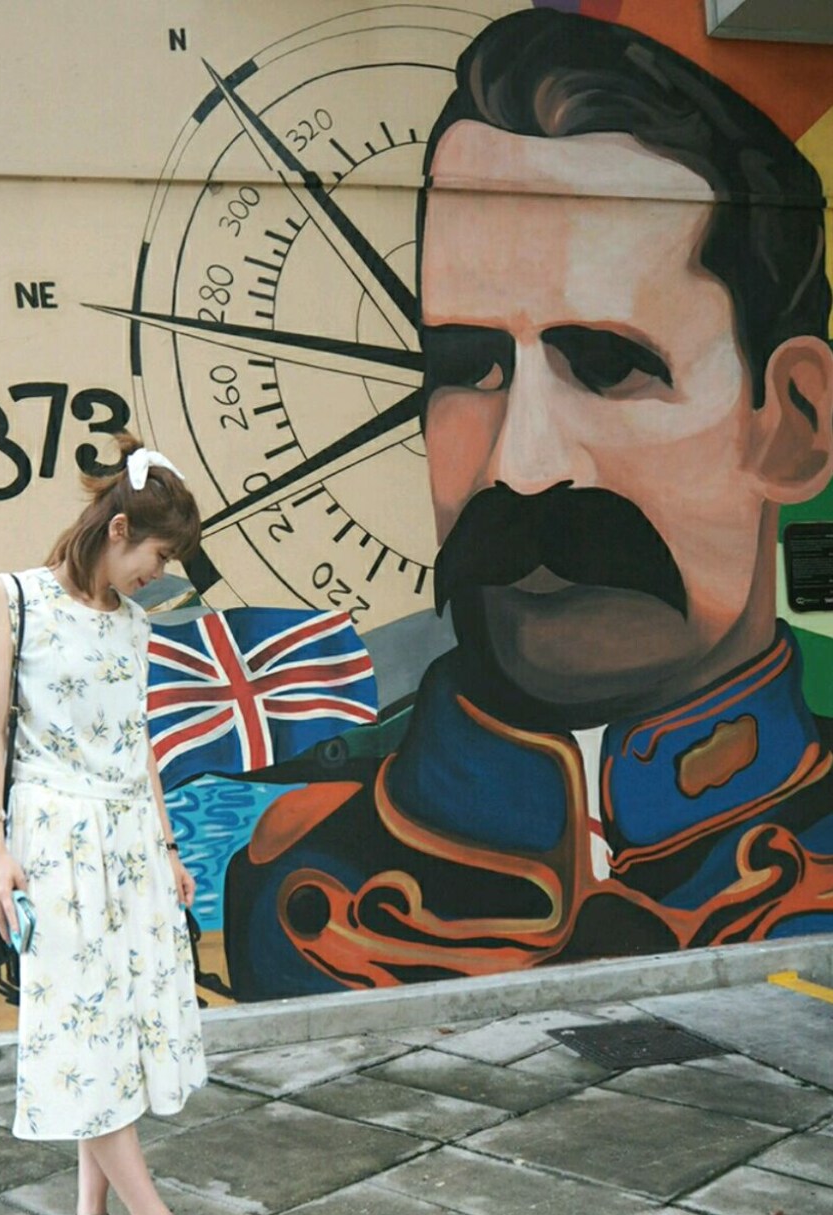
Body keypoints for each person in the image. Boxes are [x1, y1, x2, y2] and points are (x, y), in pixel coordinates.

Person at [222, 7, 833, 1000]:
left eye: (607, 364)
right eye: (468, 368)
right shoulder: (304, 894)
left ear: (793, 422)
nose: (522, 465)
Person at [0, 433, 246, 1215]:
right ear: (118, 528)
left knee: (114, 1033)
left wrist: (170, 849)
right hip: (53, 844)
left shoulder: (133, 625)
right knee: (83, 1035)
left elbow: (139, 747)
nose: (156, 575)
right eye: (156, 556)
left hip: (129, 846)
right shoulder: (11, 599)